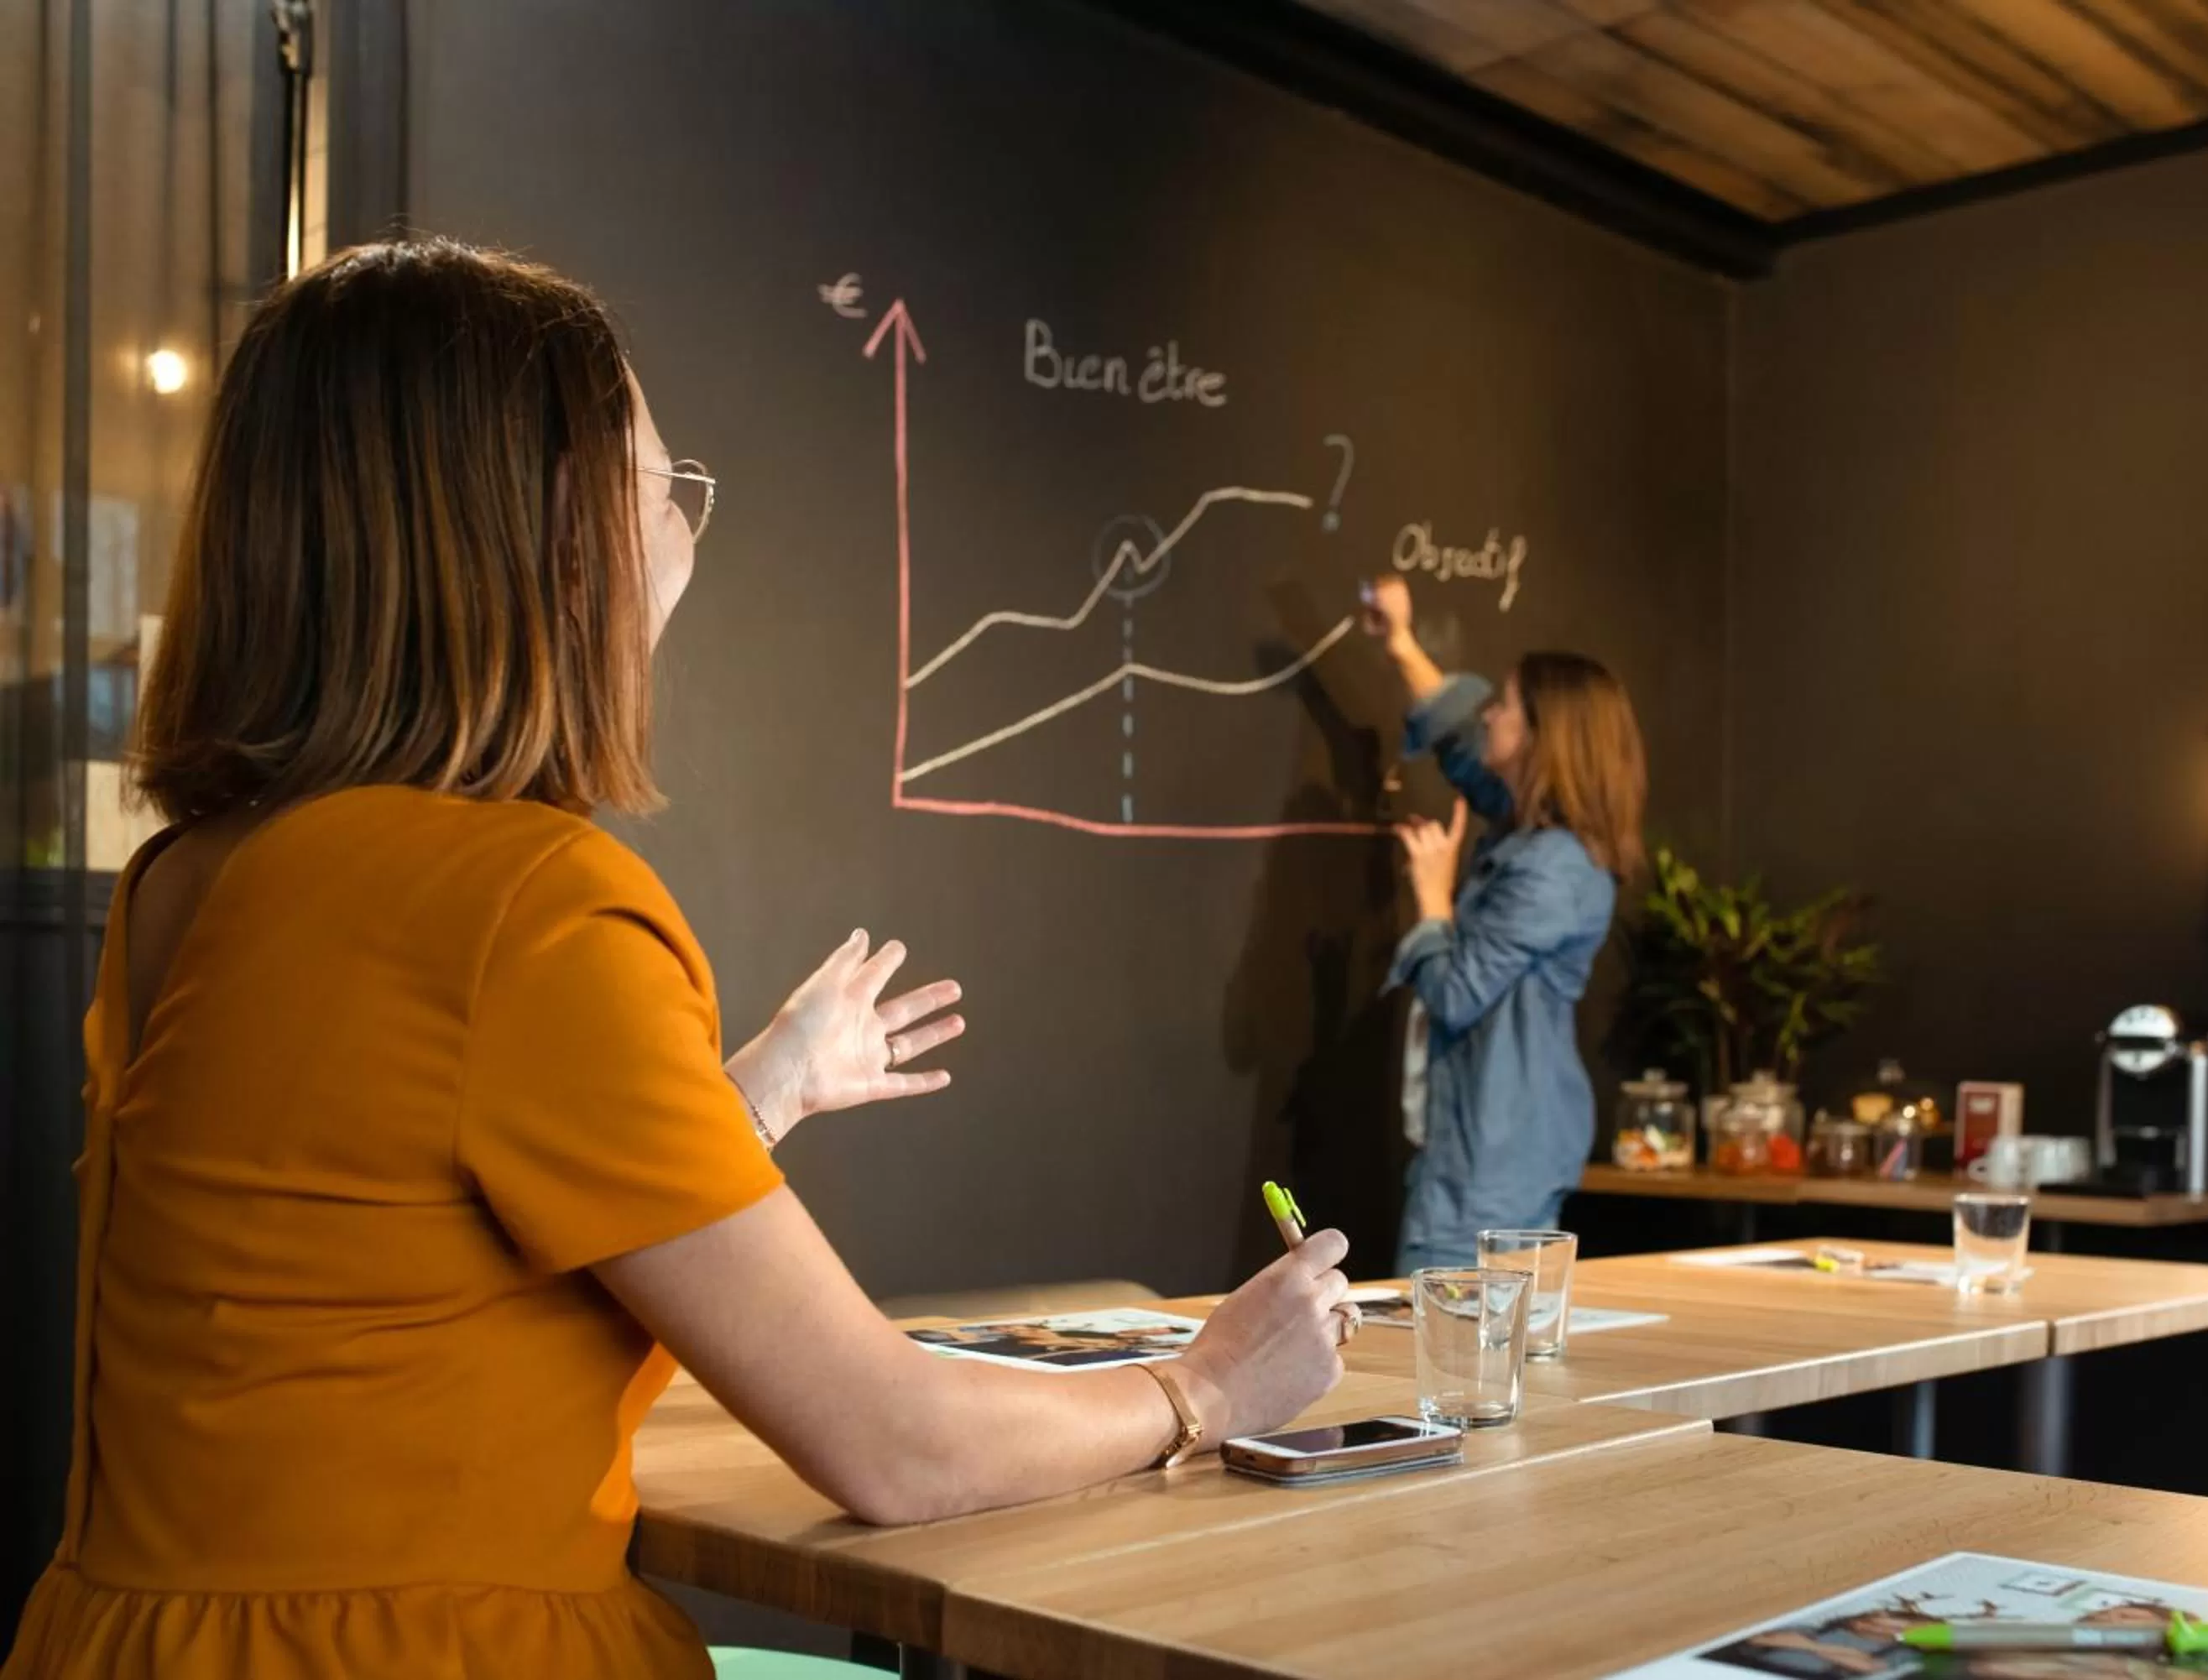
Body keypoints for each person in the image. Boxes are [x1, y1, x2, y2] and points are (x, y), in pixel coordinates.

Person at [3, 238, 1355, 1680]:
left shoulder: (186, 883)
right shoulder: (530, 903)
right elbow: (893, 1442)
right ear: (557, 541)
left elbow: (393, 1246)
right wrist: (1204, 1383)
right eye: (668, 489)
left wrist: (751, 1094)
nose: (688, 541)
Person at [1360, 577, 1647, 1273]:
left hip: (1489, 1167)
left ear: (1541, 739)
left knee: (1451, 1358)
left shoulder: (1554, 868)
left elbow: (1456, 991)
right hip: (1492, 1152)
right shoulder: (1537, 832)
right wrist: (1400, 641)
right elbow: (1458, 735)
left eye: (1506, 705)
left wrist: (1433, 899)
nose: (1489, 715)